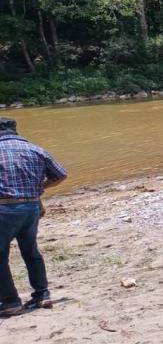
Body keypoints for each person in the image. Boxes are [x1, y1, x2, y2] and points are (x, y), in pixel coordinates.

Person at [0, 117, 67, 317]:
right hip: (31, 208)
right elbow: (61, 175)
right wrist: (38, 189)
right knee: (30, 251)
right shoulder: (36, 150)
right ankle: (42, 294)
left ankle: (11, 302)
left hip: (4, 209)